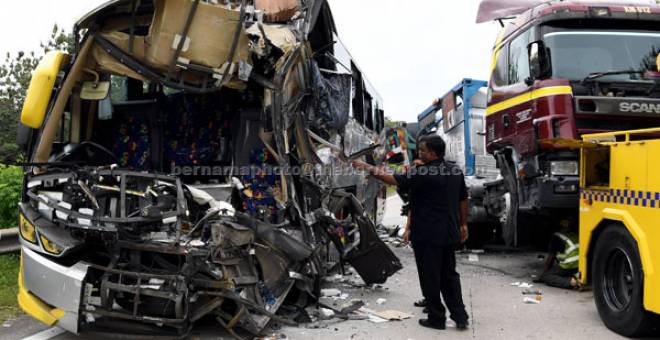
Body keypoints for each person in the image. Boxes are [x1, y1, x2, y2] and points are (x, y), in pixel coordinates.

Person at [352, 135, 470, 331]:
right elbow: (463, 199)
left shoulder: (422, 173)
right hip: (449, 232)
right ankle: (460, 316)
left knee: (430, 276)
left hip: (427, 234)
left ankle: (436, 318)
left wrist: (366, 168)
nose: (419, 153)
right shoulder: (455, 170)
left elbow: (390, 179)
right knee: (450, 275)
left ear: (432, 153)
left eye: (422, 150)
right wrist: (463, 224)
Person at [539, 223, 581, 289]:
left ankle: (572, 282)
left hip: (570, 265)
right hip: (580, 265)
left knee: (546, 276)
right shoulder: (574, 234)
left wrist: (544, 274)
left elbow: (550, 259)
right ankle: (575, 276)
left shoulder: (555, 237)